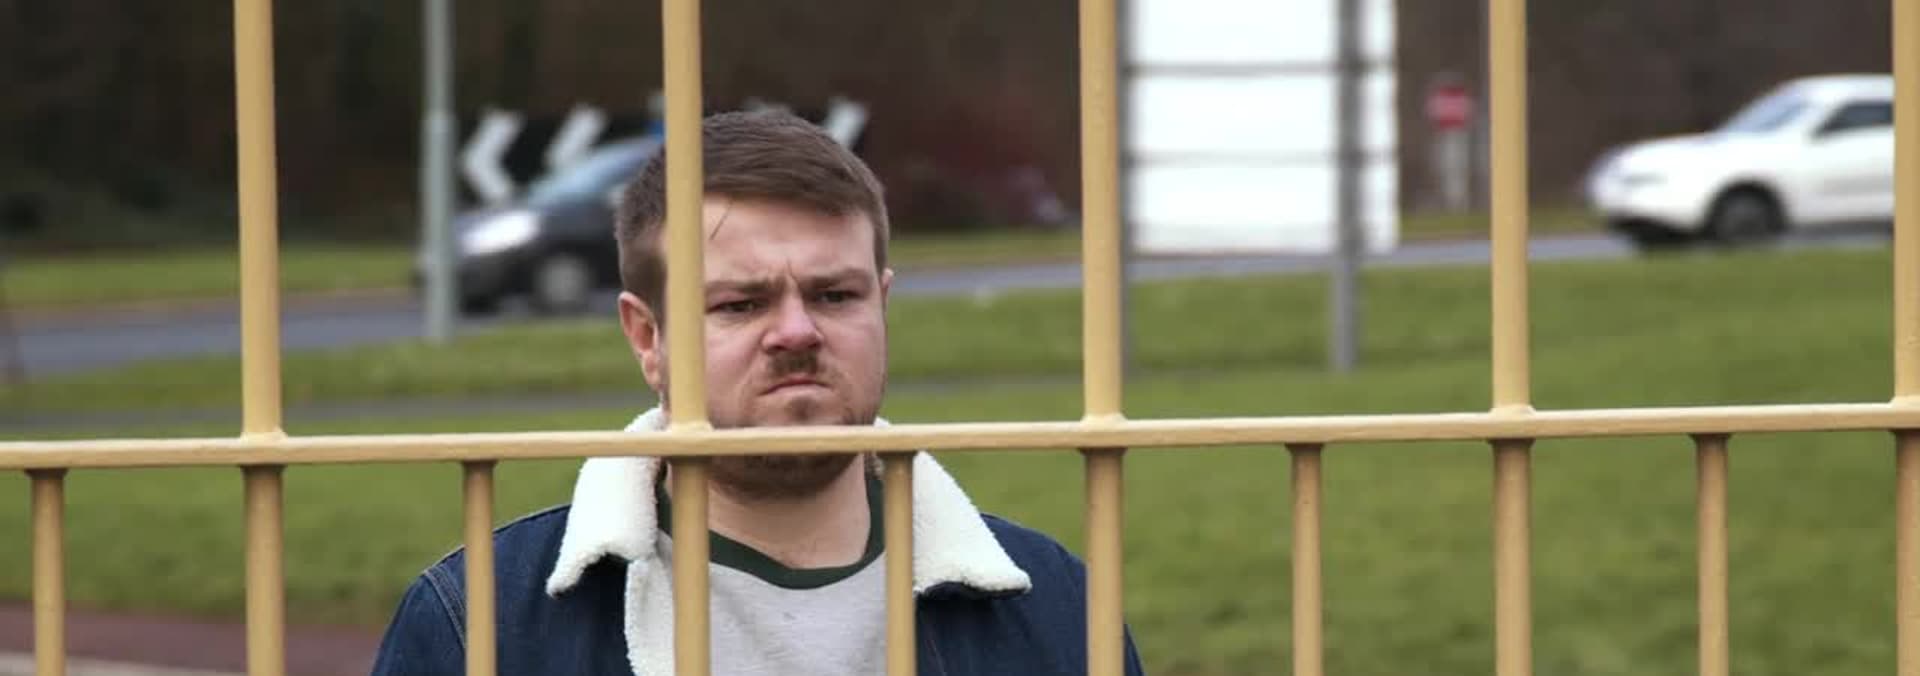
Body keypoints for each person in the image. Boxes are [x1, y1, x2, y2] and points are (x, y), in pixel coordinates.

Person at [370, 109, 1147, 676]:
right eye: (741, 304)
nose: (797, 332)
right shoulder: (482, 623)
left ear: (882, 305)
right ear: (647, 338)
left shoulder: (1055, 610)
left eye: (835, 295)